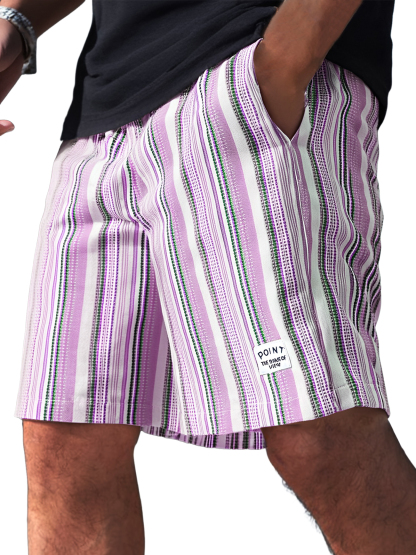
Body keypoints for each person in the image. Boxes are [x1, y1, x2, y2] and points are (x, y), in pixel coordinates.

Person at [1, 0, 415, 553]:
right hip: (101, 116)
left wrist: (283, 63)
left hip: (246, 68)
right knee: (66, 442)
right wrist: (16, 22)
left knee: (317, 429)